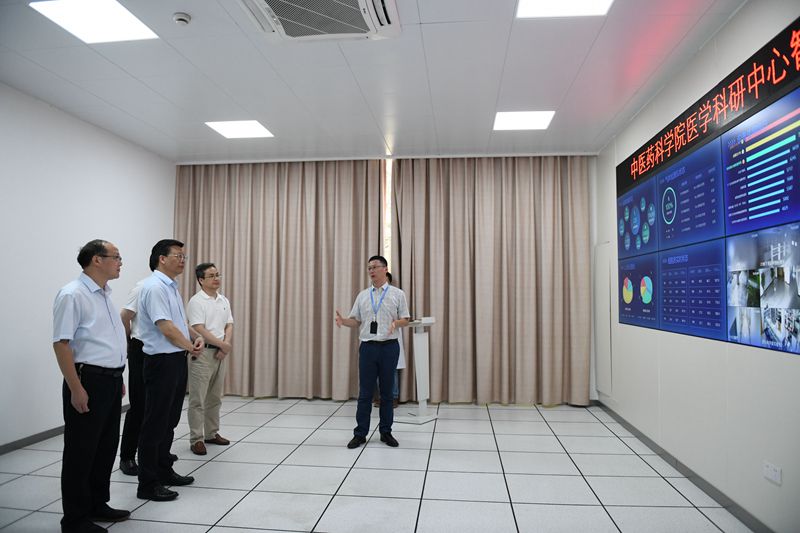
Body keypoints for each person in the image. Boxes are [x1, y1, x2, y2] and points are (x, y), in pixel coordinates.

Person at [52, 239, 130, 532]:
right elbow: (61, 344)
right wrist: (76, 388)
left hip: (110, 380)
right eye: (116, 257)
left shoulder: (104, 294)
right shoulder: (73, 294)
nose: (120, 262)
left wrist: (118, 376)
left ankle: (98, 503)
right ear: (97, 260)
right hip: (88, 380)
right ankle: (74, 519)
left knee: (105, 447)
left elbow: (106, 341)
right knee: (81, 451)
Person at [136, 239, 203, 501]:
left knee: (169, 421)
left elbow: (180, 323)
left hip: (175, 359)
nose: (183, 260)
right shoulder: (154, 287)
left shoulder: (171, 287)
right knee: (155, 423)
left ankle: (164, 470)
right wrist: (191, 347)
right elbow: (166, 327)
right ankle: (147, 483)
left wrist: (195, 337)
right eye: (178, 255)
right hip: (161, 362)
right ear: (161, 258)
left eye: (184, 256)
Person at [336, 255, 410, 449]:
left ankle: (386, 432)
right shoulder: (362, 296)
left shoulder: (397, 294)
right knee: (365, 393)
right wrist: (344, 321)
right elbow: (356, 321)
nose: (371, 270)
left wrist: (396, 323)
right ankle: (360, 433)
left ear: (385, 269)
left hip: (389, 347)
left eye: (375, 267)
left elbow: (406, 319)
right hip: (368, 347)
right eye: (369, 267)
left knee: (387, 393)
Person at [186, 263, 233, 455]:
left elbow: (229, 324)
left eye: (218, 275)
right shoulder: (196, 301)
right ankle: (196, 438)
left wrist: (225, 345)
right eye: (211, 276)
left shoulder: (223, 300)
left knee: (215, 397)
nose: (216, 278)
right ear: (201, 280)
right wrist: (222, 345)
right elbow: (198, 329)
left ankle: (211, 433)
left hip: (220, 353)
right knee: (197, 399)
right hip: (202, 353)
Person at [373, 272, 404, 409]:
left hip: (392, 337)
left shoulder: (396, 295)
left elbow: (403, 316)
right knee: (377, 369)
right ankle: (381, 396)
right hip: (375, 338)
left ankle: (393, 397)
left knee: (392, 369)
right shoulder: (371, 295)